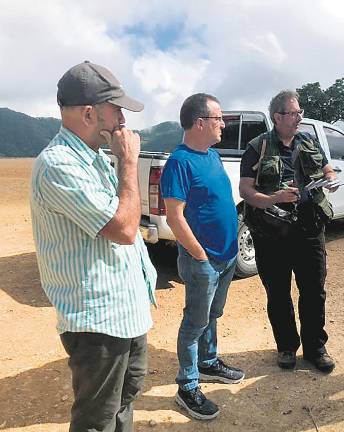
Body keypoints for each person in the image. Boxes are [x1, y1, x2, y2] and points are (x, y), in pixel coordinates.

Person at [30, 61, 157, 431]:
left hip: (125, 311)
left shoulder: (96, 158)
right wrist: (129, 162)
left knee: (124, 401)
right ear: (89, 113)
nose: (122, 120)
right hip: (98, 322)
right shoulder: (58, 165)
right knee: (97, 419)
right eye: (116, 109)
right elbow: (124, 228)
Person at [239, 89, 338, 373]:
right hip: (271, 234)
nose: (299, 117)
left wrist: (330, 180)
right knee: (278, 293)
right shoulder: (257, 147)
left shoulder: (308, 141)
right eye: (294, 113)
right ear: (277, 116)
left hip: (309, 230)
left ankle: (315, 348)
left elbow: (328, 169)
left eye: (300, 112)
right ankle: (286, 347)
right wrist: (273, 199)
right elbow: (245, 189)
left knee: (313, 291)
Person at [161, 93, 245, 421]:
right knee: (194, 322)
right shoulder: (179, 162)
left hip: (225, 257)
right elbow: (174, 217)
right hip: (204, 261)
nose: (224, 124)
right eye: (218, 119)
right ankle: (187, 384)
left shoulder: (211, 155)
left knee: (213, 314)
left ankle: (208, 363)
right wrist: (198, 256)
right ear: (200, 123)